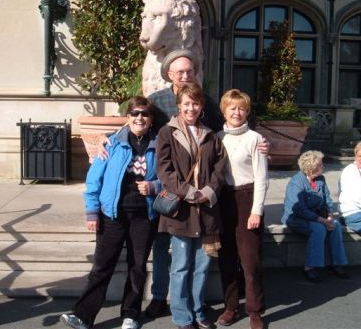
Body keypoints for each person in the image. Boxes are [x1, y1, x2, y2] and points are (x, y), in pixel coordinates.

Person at [97, 49, 269, 318]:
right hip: (168, 191)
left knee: (197, 258)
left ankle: (196, 307)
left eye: (189, 71)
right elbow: (135, 121)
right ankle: (158, 298)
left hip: (202, 194)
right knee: (164, 249)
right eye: (180, 72)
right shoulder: (156, 101)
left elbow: (228, 128)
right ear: (169, 74)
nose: (186, 75)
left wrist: (259, 142)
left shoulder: (207, 102)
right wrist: (107, 137)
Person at [60, 96, 159, 329]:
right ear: (128, 117)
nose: (139, 118)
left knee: (137, 266)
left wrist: (156, 186)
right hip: (112, 213)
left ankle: (130, 315)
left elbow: (169, 177)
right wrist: (91, 211)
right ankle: (83, 315)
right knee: (102, 265)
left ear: (151, 119)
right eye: (134, 113)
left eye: (144, 113)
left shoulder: (160, 144)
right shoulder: (112, 143)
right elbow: (94, 179)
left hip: (144, 214)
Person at [156, 82, 227, 329]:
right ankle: (182, 315)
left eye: (195, 103)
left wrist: (208, 192)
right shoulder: (167, 132)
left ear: (201, 107)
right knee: (181, 266)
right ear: (179, 106)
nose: (191, 108)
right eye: (186, 103)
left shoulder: (210, 135)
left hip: (207, 212)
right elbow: (163, 169)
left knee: (203, 266)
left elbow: (220, 167)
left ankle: (198, 311)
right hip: (181, 213)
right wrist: (187, 191)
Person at [216, 89, 268, 329]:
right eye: (232, 108)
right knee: (226, 259)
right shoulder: (217, 137)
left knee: (250, 261)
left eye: (241, 108)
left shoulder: (255, 138)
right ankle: (230, 306)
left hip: (247, 199)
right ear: (224, 111)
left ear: (247, 111)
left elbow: (262, 177)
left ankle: (255, 310)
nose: (237, 112)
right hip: (223, 200)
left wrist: (256, 211)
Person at [282, 151, 349, 283]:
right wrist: (322, 220)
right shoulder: (296, 182)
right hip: (296, 218)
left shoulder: (321, 179)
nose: (323, 166)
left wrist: (329, 216)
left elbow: (328, 200)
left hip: (318, 216)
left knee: (335, 226)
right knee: (318, 229)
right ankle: (309, 267)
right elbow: (299, 209)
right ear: (310, 169)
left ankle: (336, 264)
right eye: (320, 164)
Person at [338, 140, 361, 256]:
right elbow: (359, 198)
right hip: (354, 214)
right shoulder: (350, 171)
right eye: (360, 156)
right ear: (355, 156)